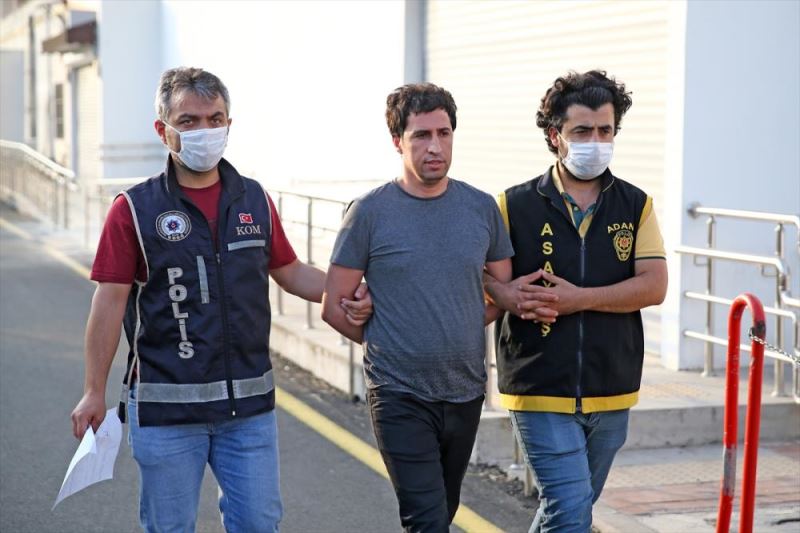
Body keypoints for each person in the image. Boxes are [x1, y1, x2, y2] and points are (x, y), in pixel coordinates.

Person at [69, 67, 372, 533]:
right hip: (167, 413)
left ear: (229, 124)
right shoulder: (134, 210)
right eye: (188, 121)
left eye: (215, 119)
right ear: (163, 131)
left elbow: (291, 272)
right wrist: (94, 390)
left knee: (258, 525)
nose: (205, 131)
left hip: (248, 414)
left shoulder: (254, 199)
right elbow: (108, 302)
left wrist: (357, 288)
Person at [321, 83, 514, 532]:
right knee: (426, 521)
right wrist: (390, 338)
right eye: (421, 135)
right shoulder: (369, 212)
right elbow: (334, 306)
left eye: (444, 134)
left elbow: (500, 293)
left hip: (465, 389)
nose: (435, 147)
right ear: (397, 141)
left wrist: (459, 323)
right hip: (398, 392)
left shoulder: (481, 207)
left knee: (442, 511)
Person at [485, 70, 668, 532]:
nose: (596, 142)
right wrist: (503, 293)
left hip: (612, 385)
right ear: (555, 135)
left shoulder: (636, 205)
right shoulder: (512, 205)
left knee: (569, 508)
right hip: (537, 383)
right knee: (569, 510)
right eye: (582, 131)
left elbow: (654, 285)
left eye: (606, 130)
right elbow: (487, 282)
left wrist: (578, 299)